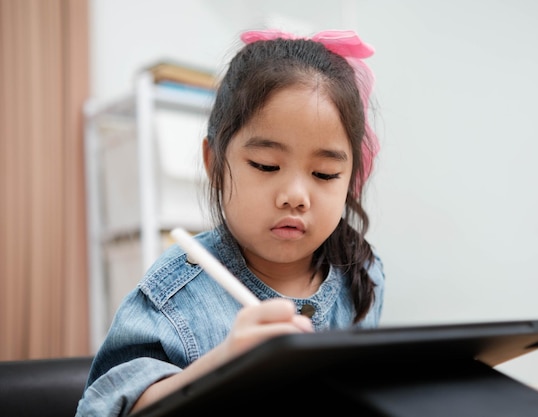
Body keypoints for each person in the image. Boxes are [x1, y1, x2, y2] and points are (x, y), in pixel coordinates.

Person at [75, 29, 385, 417]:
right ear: (215, 163)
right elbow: (104, 409)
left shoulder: (362, 271)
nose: (295, 196)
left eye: (324, 173)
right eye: (266, 166)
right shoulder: (173, 296)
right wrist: (221, 366)